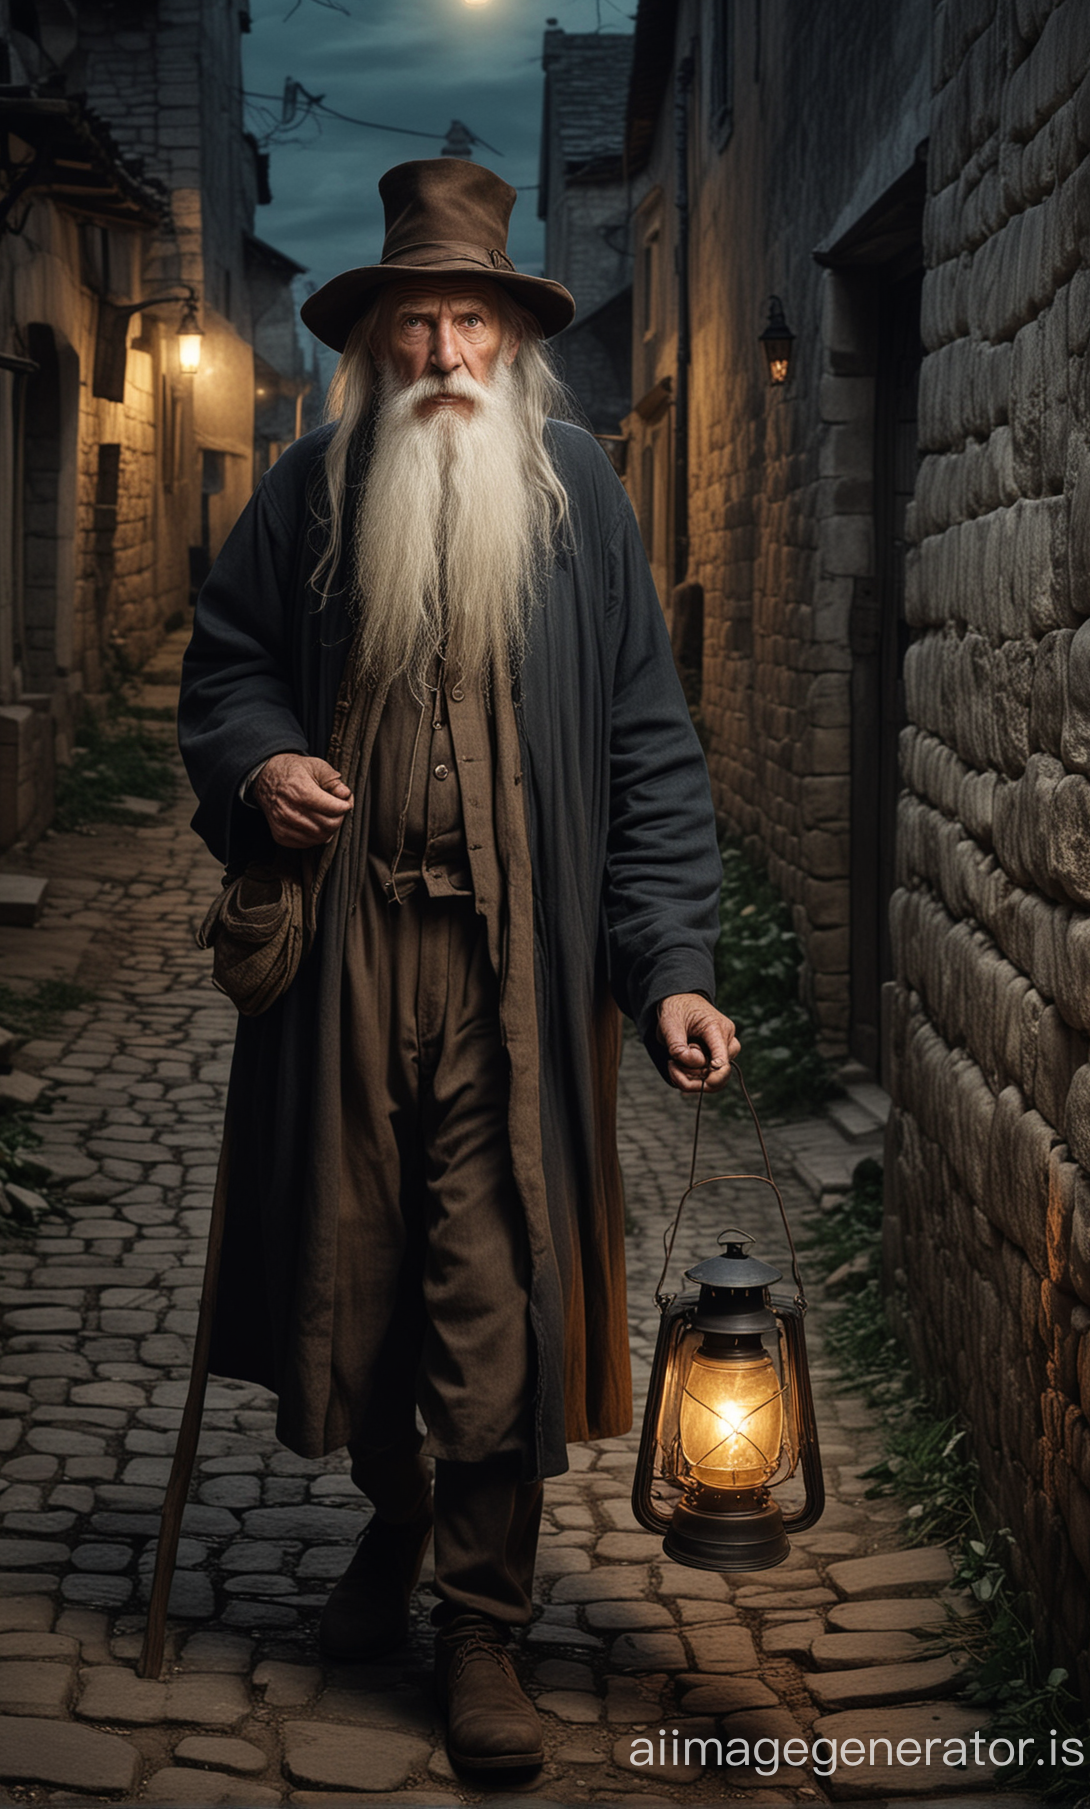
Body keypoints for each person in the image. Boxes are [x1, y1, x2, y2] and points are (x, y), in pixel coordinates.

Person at [178, 158, 737, 1775]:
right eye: (413, 321)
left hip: (518, 976)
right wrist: (261, 765)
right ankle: (398, 1512)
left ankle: (483, 1625)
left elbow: (648, 752)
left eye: (469, 323)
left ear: (513, 343)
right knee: (350, 1277)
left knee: (490, 1285)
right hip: (349, 968)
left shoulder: (579, 494)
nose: (441, 353)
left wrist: (674, 970)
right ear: (374, 343)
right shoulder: (305, 489)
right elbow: (223, 675)